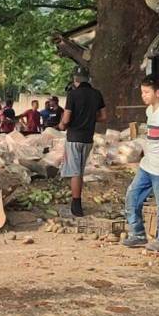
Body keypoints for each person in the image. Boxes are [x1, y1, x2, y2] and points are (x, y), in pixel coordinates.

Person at [122, 74, 159, 252]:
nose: (144, 96)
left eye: (147, 92)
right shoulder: (150, 111)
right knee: (132, 196)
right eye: (142, 92)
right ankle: (138, 233)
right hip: (147, 165)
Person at [59, 69, 107, 217]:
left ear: (75, 80)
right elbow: (104, 116)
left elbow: (66, 119)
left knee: (75, 172)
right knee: (79, 170)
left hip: (74, 137)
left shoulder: (73, 94)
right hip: (88, 138)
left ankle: (76, 205)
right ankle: (77, 202)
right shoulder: (96, 94)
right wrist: (91, 119)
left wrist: (62, 125)